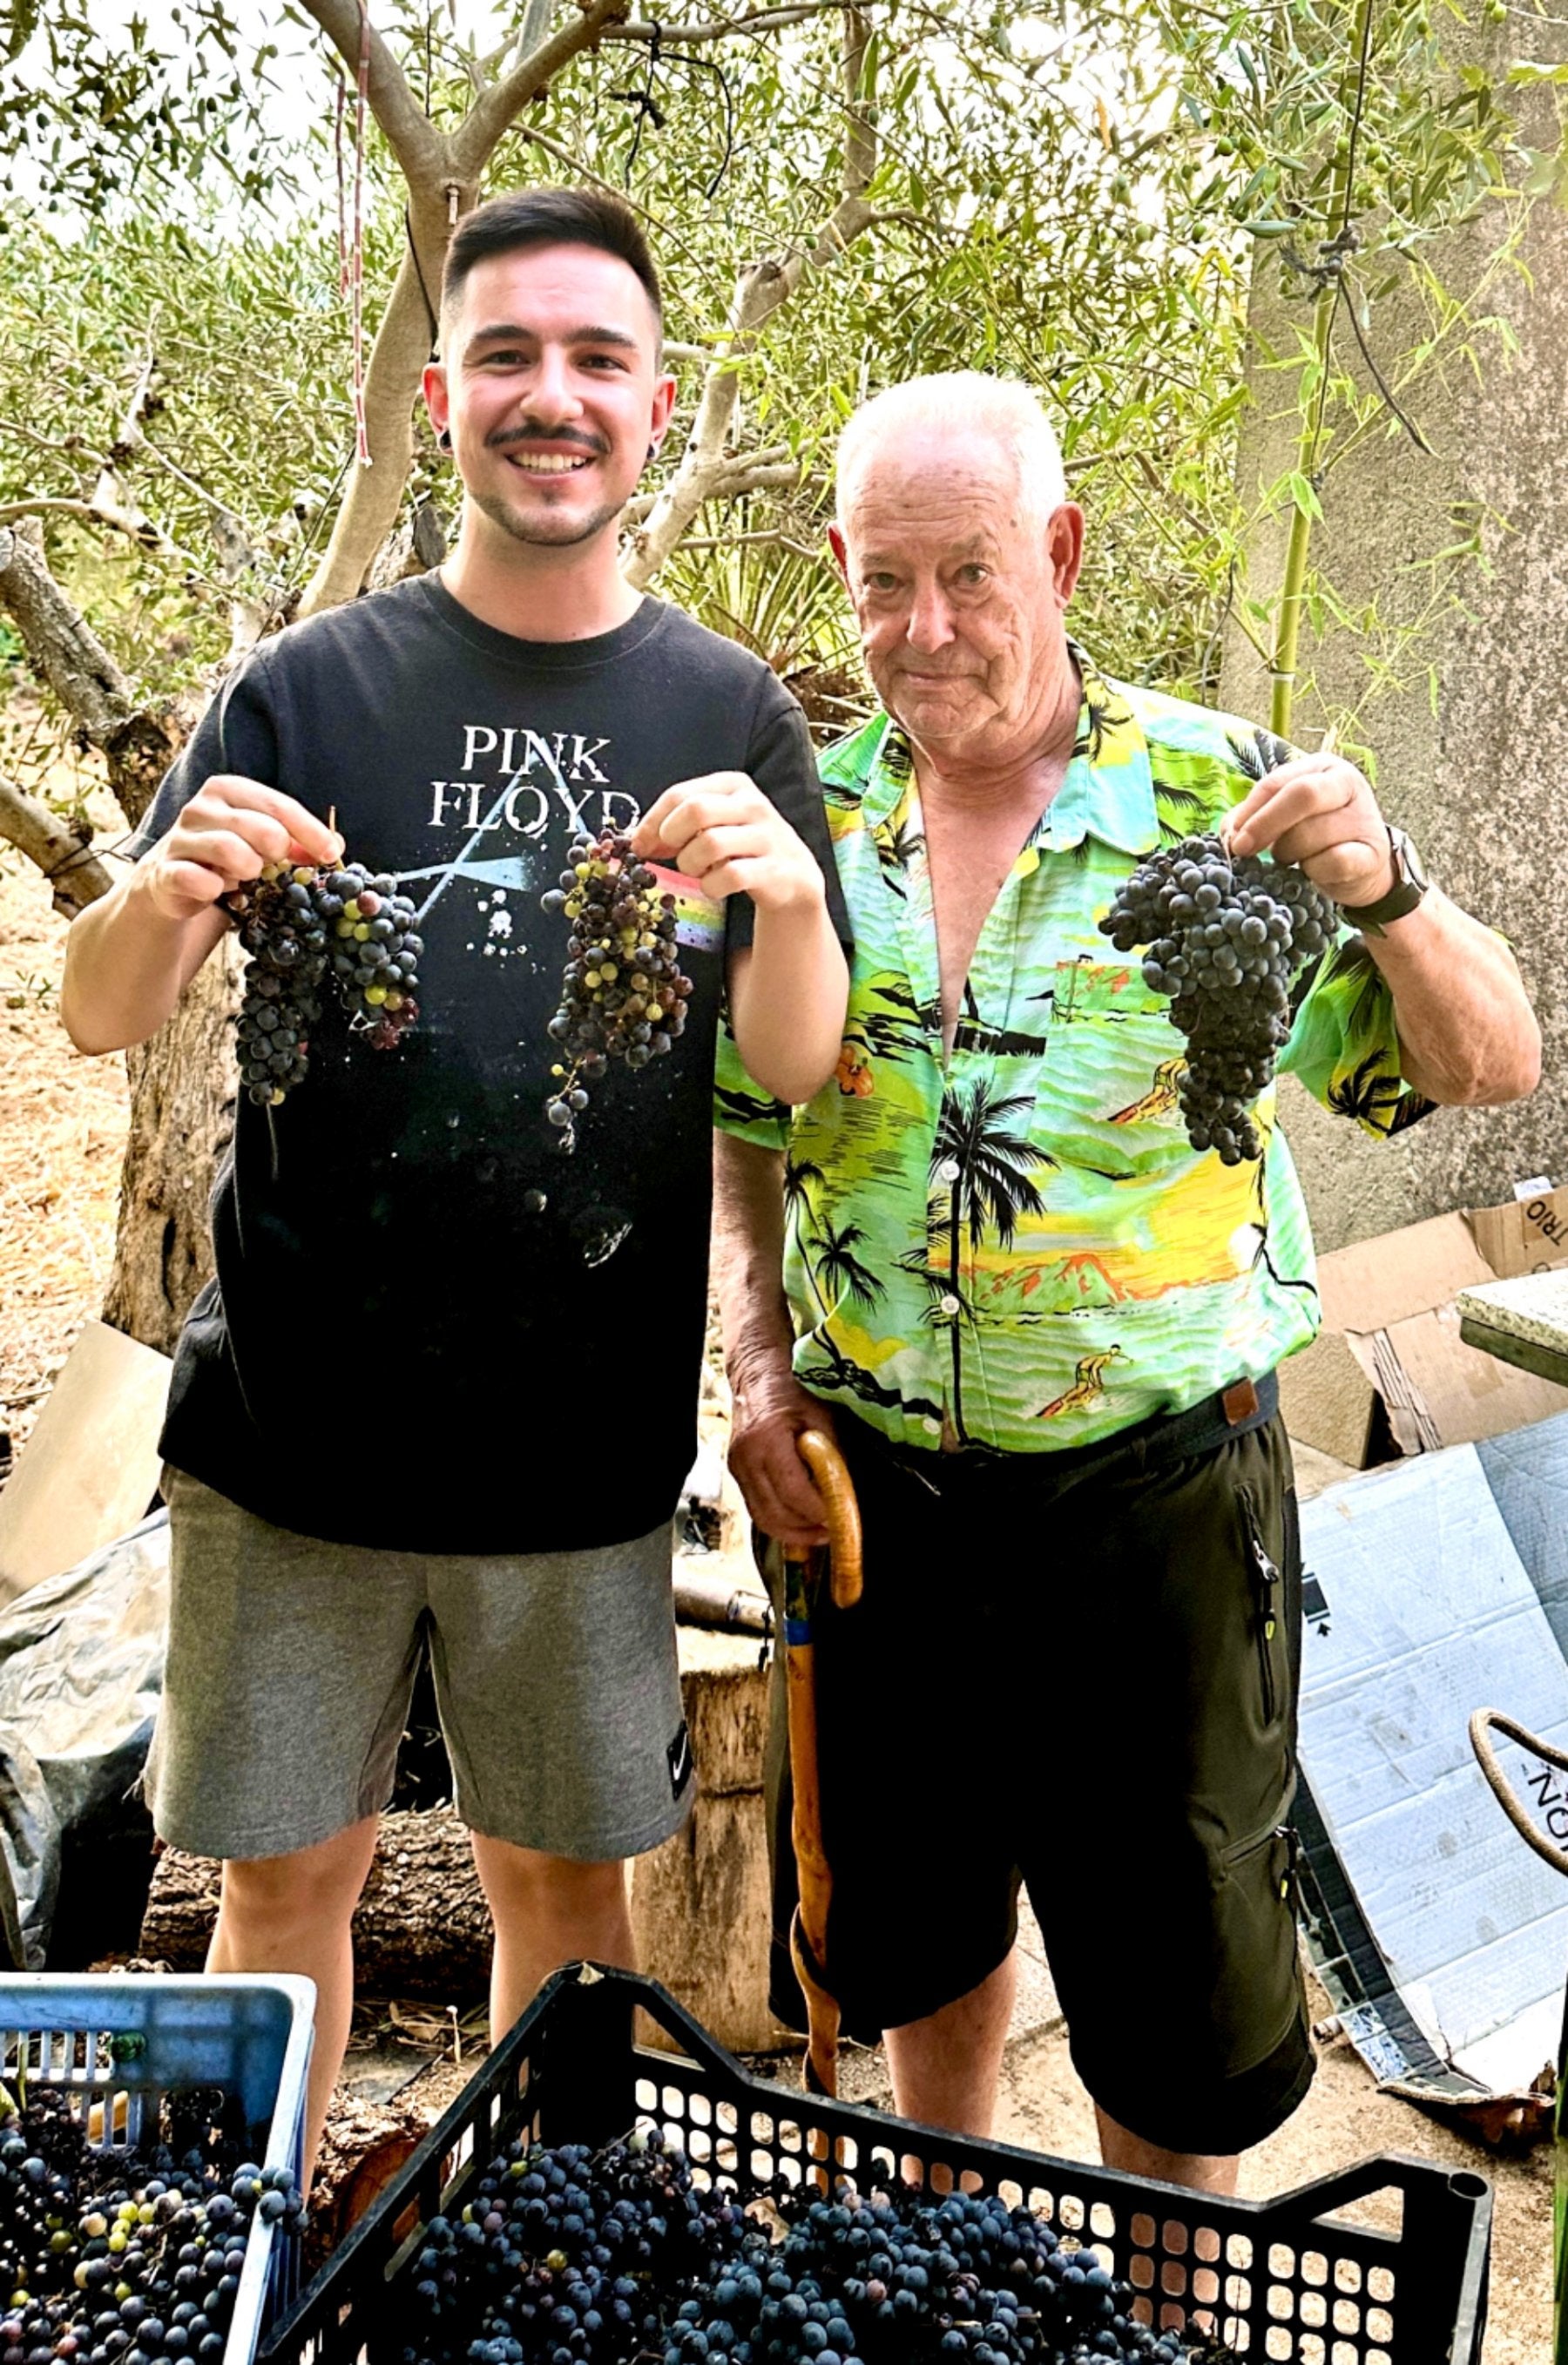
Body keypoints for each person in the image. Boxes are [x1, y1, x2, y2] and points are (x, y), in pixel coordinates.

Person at [60, 186, 850, 2172]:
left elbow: (796, 1061)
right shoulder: (308, 690)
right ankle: (271, 2270)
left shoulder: (729, 717)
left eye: (596, 359)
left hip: (572, 1460)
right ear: (443, 393)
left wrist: (781, 892)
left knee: (568, 1917)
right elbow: (92, 1010)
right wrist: (161, 891)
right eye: (507, 355)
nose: (550, 396)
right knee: (278, 1895)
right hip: (291, 1434)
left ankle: (537, 2254)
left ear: (654, 406)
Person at [713, 371, 1539, 2197]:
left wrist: (1393, 891)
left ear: (1063, 555)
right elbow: (742, 1124)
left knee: (1175, 1998)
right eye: (884, 580)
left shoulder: (1224, 803)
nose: (924, 629)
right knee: (917, 1937)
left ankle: (1165, 2322)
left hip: (1160, 1511)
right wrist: (757, 1359)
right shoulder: (810, 824)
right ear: (841, 572)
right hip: (878, 1502)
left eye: (973, 574)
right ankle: (957, 2272)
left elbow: (1491, 1065)